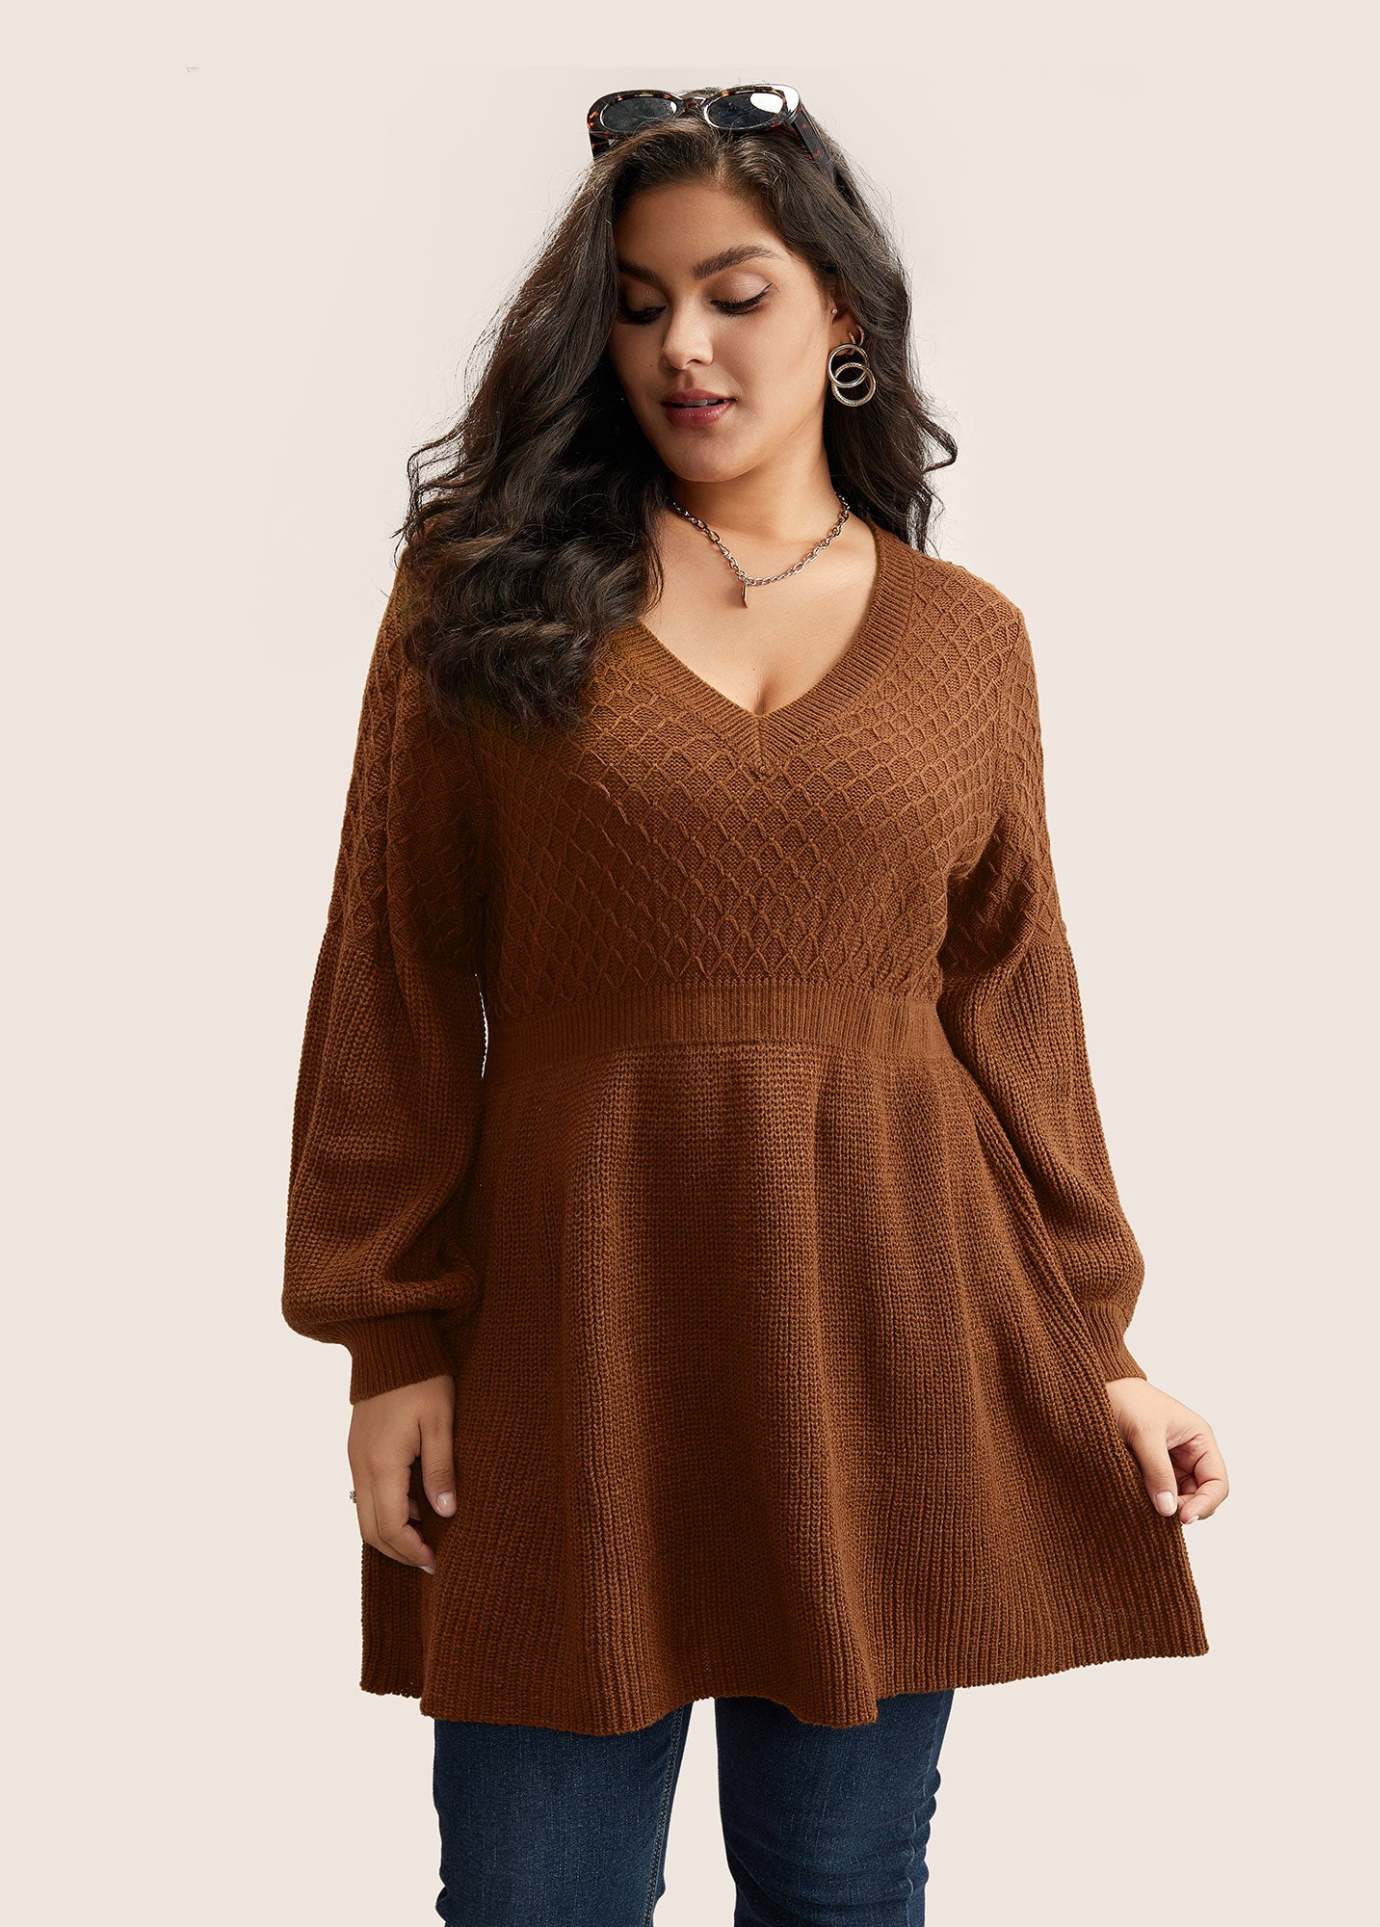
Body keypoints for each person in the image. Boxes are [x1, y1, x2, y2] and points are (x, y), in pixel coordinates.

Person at [282, 83, 1229, 1926]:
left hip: (887, 1327)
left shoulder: (966, 640)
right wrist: (387, 1343)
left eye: (735, 295)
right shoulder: (481, 603)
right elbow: (389, 972)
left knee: (841, 1889)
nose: (682, 349)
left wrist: (1100, 1350)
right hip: (569, 1330)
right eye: (637, 306)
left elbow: (1012, 1007)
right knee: (534, 1899)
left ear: (841, 314)